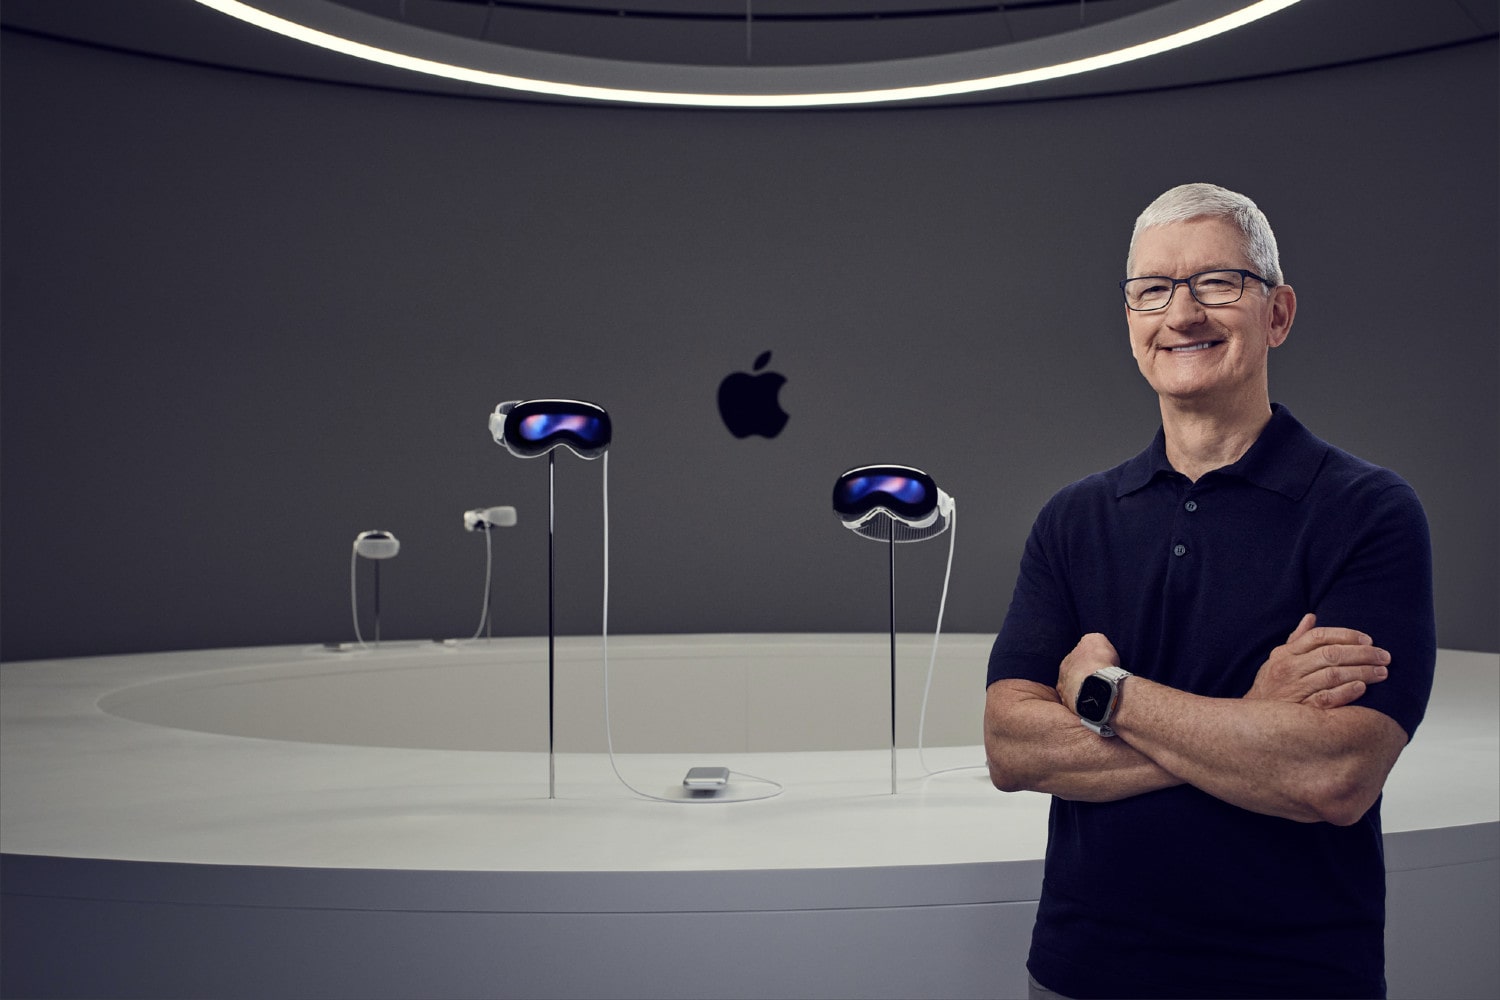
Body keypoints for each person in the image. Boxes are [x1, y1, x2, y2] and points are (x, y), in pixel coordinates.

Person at [984, 182, 1436, 1000]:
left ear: (1278, 313)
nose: (1181, 314)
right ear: (1130, 322)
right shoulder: (1073, 519)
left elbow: (1335, 775)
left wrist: (1104, 694)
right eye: (1152, 290)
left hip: (1292, 975)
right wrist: (1254, 720)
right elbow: (1011, 749)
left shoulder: (1368, 511)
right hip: (1082, 970)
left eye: (1216, 284)